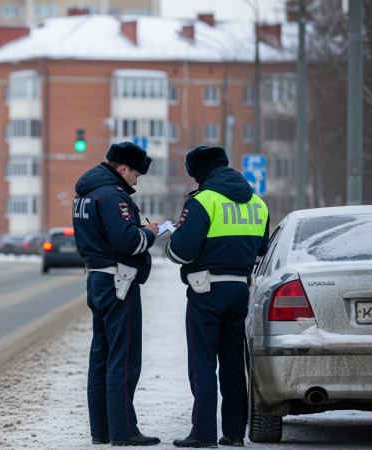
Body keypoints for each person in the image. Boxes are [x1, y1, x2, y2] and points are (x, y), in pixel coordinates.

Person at [165, 146, 269, 448]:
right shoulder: (258, 203)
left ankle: (203, 433)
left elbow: (181, 251)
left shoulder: (203, 201)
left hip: (206, 290)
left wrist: (171, 243)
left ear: (198, 173)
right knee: (234, 364)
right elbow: (261, 248)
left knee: (203, 363)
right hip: (240, 290)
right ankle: (235, 433)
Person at [72, 142, 161, 446]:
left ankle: (102, 430)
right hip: (119, 283)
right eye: (136, 173)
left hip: (97, 279)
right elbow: (126, 243)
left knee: (101, 357)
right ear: (123, 168)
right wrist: (150, 233)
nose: (136, 180)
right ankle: (124, 431)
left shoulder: (85, 193)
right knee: (123, 360)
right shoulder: (113, 196)